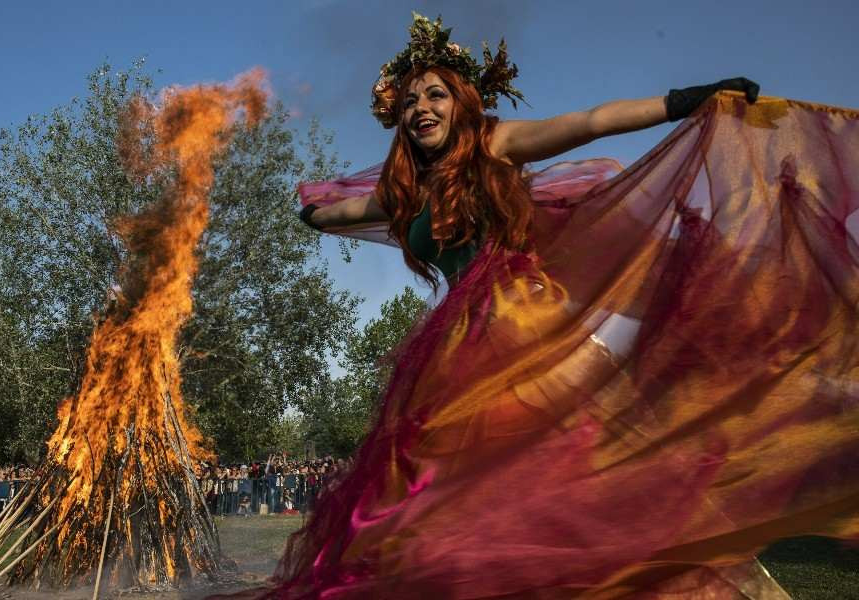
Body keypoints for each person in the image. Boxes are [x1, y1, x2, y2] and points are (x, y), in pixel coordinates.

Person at [243, 13, 859, 600]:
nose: (421, 109)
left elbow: (590, 121)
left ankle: (719, 576)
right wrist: (312, 214)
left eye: (434, 95)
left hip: (526, 322)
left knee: (606, 463)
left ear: (462, 101)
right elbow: (343, 213)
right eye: (408, 102)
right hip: (461, 345)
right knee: (461, 486)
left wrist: (682, 101)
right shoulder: (406, 192)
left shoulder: (497, 147)